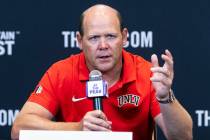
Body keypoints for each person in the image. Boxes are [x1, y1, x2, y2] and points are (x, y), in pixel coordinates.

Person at [11, 4, 193, 140]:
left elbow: (184, 137)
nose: (103, 46)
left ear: (125, 37)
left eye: (111, 36)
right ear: (79, 41)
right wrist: (77, 129)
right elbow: (19, 130)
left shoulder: (145, 72)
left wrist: (165, 97)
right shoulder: (61, 72)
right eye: (94, 38)